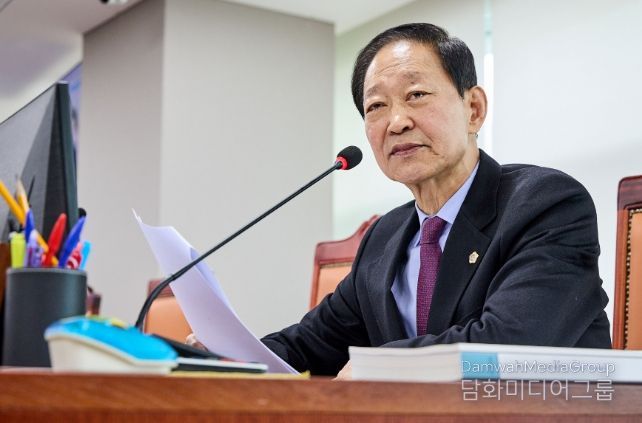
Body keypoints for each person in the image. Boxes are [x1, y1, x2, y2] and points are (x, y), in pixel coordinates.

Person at [191, 23, 612, 378]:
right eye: (376, 106)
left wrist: (379, 365)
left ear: (473, 109)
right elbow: (311, 343)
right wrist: (226, 358)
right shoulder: (385, 237)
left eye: (416, 95)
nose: (396, 122)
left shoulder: (546, 205)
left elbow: (510, 345)